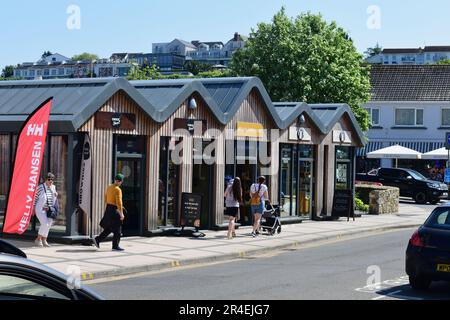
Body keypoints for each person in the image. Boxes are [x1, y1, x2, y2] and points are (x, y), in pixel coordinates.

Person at [93, 174, 126, 251]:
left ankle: (98, 239)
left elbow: (105, 198)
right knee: (118, 229)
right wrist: (121, 213)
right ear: (120, 181)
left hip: (108, 208)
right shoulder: (118, 189)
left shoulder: (109, 187)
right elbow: (119, 202)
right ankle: (115, 246)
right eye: (121, 181)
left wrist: (109, 206)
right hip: (115, 209)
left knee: (110, 228)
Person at [34, 173, 58, 248]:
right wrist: (33, 208)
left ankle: (44, 240)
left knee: (49, 225)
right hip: (40, 209)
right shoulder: (40, 187)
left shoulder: (53, 187)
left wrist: (55, 195)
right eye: (49, 179)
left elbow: (53, 199)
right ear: (46, 180)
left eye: (52, 179)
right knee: (45, 224)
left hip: (50, 209)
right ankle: (38, 239)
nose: (50, 181)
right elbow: (35, 198)